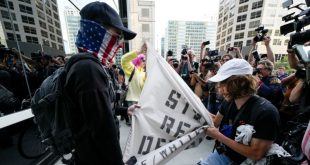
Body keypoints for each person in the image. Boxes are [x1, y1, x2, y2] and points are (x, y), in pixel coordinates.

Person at [63, 2, 136, 164]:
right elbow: (102, 128)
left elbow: (99, 109)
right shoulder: (88, 69)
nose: (120, 43)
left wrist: (124, 110)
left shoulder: (88, 65)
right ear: (96, 30)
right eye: (117, 35)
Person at [201, 59, 280, 165]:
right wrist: (199, 110)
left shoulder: (266, 112)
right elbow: (215, 122)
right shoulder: (228, 101)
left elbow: (256, 154)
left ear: (240, 82)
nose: (219, 87)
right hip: (223, 154)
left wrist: (218, 136)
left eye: (224, 82)